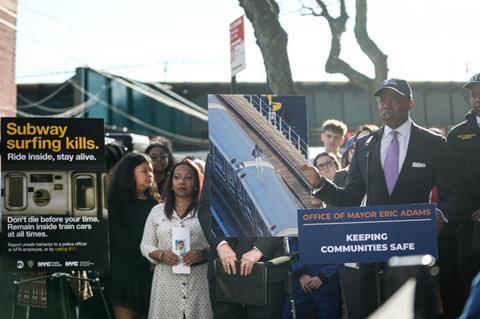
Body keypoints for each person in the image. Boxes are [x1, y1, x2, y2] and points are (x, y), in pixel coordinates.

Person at [302, 78, 455, 318]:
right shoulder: (365, 145)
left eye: (393, 99)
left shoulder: (433, 143)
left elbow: (451, 194)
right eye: (382, 100)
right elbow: (350, 197)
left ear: (410, 104)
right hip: (372, 255)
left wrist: (441, 215)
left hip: (413, 250)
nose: (385, 105)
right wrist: (320, 185)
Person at [198, 154, 288, 319]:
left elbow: (284, 208)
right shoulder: (214, 154)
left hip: (267, 268)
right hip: (224, 270)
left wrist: (260, 248)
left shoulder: (276, 157)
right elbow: (205, 207)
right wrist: (221, 245)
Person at [140, 159, 211, 319]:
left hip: (200, 282)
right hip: (166, 283)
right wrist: (161, 255)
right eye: (177, 177)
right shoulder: (157, 211)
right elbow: (145, 245)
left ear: (196, 183)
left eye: (188, 177)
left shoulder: (207, 211)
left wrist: (202, 254)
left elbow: (221, 245)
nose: (182, 182)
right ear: (171, 183)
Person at [106, 152, 160, 319]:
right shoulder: (115, 202)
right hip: (124, 274)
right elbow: (117, 238)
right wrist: (147, 258)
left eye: (150, 171)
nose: (150, 174)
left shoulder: (155, 203)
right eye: (144, 171)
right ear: (130, 172)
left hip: (150, 274)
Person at [447, 73, 480, 311]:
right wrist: (472, 211)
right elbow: (452, 182)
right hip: (470, 225)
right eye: (474, 93)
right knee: (467, 278)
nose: (477, 97)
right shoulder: (457, 135)